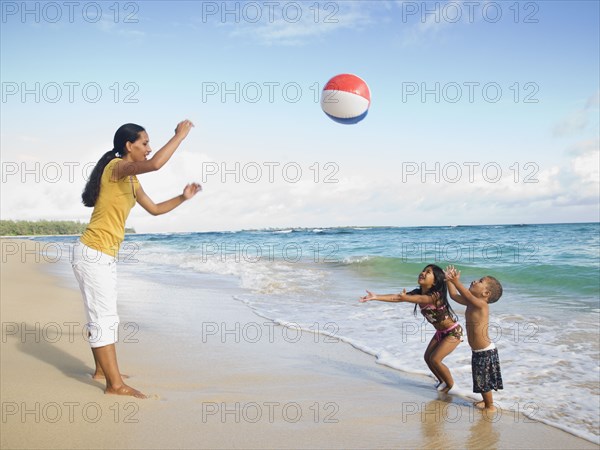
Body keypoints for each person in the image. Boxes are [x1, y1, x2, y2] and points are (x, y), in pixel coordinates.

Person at [72, 120, 200, 398]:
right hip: (94, 252)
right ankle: (114, 385)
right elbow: (156, 165)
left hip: (100, 255)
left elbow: (154, 209)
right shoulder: (116, 167)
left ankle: (101, 371)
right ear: (128, 146)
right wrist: (180, 135)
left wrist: (182, 197)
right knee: (103, 317)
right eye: (144, 143)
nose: (149, 149)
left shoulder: (130, 178)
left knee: (103, 317)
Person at [360, 264, 463, 392]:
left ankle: (450, 385)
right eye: (423, 270)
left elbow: (421, 299)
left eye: (428, 272)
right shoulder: (417, 292)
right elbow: (398, 298)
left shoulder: (435, 296)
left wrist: (405, 297)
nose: (423, 273)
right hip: (440, 332)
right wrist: (376, 297)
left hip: (453, 332)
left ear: (435, 281)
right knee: (427, 358)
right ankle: (441, 381)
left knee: (435, 359)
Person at [444, 265, 503, 411]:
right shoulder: (471, 302)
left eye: (480, 281)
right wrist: (449, 281)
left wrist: (457, 281)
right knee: (480, 379)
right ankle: (485, 401)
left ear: (486, 293)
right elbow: (453, 295)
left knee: (483, 380)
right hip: (478, 351)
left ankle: (490, 406)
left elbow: (468, 296)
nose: (475, 281)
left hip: (485, 351)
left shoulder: (481, 305)